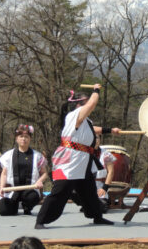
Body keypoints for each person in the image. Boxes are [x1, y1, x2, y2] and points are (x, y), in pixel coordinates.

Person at [35, 86, 120, 229]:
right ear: (79, 104)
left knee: (89, 190)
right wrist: (96, 90)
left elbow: (93, 130)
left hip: (82, 158)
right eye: (85, 103)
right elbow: (92, 103)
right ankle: (41, 220)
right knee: (61, 190)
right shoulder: (74, 115)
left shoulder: (84, 120)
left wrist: (110, 130)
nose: (89, 106)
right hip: (70, 159)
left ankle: (97, 216)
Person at [0, 124, 48, 216]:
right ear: (17, 139)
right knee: (3, 210)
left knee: (32, 198)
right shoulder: (8, 155)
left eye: (26, 137)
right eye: (21, 136)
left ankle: (26, 207)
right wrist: (1, 187)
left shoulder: (37, 156)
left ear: (30, 139)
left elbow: (44, 174)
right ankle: (14, 206)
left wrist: (39, 182)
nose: (23, 139)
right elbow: (4, 174)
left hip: (30, 190)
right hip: (13, 190)